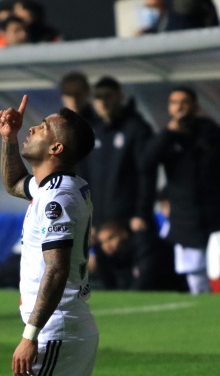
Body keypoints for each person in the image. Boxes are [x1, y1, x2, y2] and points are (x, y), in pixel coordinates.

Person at [0, 95, 179, 376]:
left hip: (55, 329)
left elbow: (56, 270)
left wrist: (30, 336)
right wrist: (9, 139)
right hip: (67, 327)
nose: (32, 128)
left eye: (42, 128)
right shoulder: (54, 187)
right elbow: (13, 182)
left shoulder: (57, 199)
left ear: (56, 148)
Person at [139, 87, 220, 294]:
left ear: (196, 107)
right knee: (194, 273)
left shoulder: (216, 137)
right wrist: (168, 134)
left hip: (217, 214)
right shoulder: (167, 139)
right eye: (174, 103)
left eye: (184, 102)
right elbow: (146, 163)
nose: (179, 107)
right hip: (185, 218)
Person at [80, 76, 155, 289]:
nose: (103, 102)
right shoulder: (90, 131)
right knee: (108, 281)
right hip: (100, 221)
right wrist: (87, 219)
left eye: (108, 96)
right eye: (98, 97)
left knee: (135, 279)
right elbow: (84, 178)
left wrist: (142, 212)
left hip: (128, 221)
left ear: (120, 97)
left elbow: (146, 174)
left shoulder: (136, 128)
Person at [96, 219, 182, 290]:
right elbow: (110, 288)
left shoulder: (145, 247)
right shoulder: (114, 258)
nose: (106, 246)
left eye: (111, 238)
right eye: (102, 242)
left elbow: (142, 284)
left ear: (124, 234)